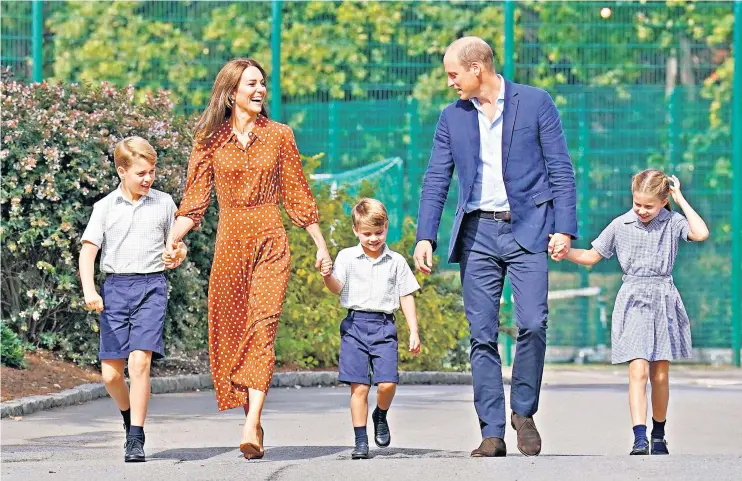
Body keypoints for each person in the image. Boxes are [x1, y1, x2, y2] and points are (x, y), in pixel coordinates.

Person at [413, 36, 578, 457]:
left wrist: (564, 228)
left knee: (533, 322)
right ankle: (491, 431)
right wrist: (425, 236)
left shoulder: (536, 103)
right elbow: (437, 178)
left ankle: (523, 410)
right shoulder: (452, 118)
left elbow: (560, 168)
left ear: (476, 69)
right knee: (482, 335)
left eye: (453, 74)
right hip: (478, 235)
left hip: (528, 230)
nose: (450, 82)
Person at [163, 58, 332, 460]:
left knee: (263, 327)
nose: (260, 91)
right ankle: (251, 415)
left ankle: (250, 421)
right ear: (231, 91)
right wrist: (173, 239)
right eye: (251, 84)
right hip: (230, 243)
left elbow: (296, 193)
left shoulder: (279, 136)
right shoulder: (209, 141)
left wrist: (320, 244)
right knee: (234, 333)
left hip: (270, 239)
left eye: (263, 84)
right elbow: (195, 201)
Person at [555, 169, 709, 455]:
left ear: (663, 201)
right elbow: (591, 255)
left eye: (648, 205)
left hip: (663, 298)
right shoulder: (620, 224)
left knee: (660, 373)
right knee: (637, 370)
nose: (641, 210)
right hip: (633, 299)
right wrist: (564, 251)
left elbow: (700, 233)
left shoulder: (673, 222)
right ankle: (640, 437)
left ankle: (659, 433)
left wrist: (680, 199)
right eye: (637, 203)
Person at [79, 136, 187, 462]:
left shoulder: (165, 203)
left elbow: (177, 245)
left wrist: (178, 253)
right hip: (114, 289)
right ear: (121, 171)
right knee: (111, 374)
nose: (148, 178)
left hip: (152, 287)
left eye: (152, 171)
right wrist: (89, 290)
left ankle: (136, 438)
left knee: (140, 361)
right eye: (141, 172)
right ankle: (128, 419)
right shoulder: (105, 207)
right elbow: (88, 253)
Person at [322, 198, 421, 459]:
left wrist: (414, 330)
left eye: (379, 232)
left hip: (384, 326)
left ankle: (381, 414)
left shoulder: (396, 261)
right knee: (360, 387)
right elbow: (336, 288)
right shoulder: (346, 257)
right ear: (356, 230)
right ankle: (360, 441)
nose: (373, 238)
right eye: (367, 233)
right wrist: (327, 276)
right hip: (355, 326)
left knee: (387, 384)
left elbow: (406, 295)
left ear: (386, 227)